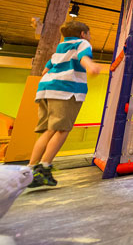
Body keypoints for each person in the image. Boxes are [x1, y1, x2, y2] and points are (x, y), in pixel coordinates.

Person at [28, 21, 102, 187]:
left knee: (49, 130)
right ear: (83, 34)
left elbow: (44, 71)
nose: (89, 37)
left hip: (45, 89)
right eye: (88, 34)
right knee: (62, 129)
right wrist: (91, 66)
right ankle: (44, 168)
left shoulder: (61, 47)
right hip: (65, 90)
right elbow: (84, 57)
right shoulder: (82, 43)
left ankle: (31, 168)